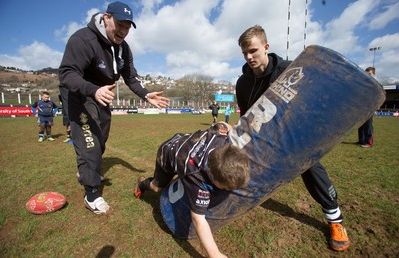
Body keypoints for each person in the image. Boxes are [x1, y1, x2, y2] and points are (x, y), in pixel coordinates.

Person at [236, 25, 350, 251]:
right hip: (262, 139)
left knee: (311, 166)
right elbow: (246, 114)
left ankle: (335, 220)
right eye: (244, 53)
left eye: (253, 50)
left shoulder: (291, 69)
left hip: (293, 137)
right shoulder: (242, 83)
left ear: (266, 47)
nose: (249, 57)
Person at [59, 1, 169, 214]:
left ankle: (88, 170)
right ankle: (91, 193)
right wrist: (93, 90)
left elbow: (130, 76)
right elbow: (66, 74)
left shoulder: (123, 48)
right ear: (106, 17)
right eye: (120, 24)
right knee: (89, 142)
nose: (123, 31)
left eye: (128, 27)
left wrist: (146, 94)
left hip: (102, 98)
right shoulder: (83, 39)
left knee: (100, 141)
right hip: (81, 95)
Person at [134, 122, 250, 258]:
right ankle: (142, 183)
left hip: (185, 142)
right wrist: (215, 254)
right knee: (157, 187)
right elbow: (198, 218)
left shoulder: (221, 137)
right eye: (225, 188)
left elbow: (221, 124)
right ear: (213, 178)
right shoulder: (196, 177)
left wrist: (231, 127)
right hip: (168, 152)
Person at [358, 67, 376, 148]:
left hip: (370, 108)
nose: (368, 75)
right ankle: (361, 140)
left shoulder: (376, 84)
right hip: (362, 108)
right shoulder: (364, 84)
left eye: (370, 74)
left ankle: (368, 142)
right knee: (360, 125)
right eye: (366, 74)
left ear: (373, 74)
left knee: (368, 125)